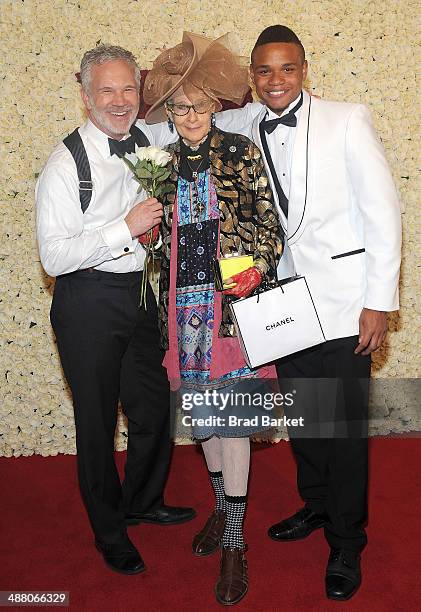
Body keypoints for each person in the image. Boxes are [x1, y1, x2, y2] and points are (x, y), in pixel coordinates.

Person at [217, 25, 402, 600]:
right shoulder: (240, 124)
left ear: (304, 70)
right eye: (265, 71)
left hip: (346, 302)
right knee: (303, 419)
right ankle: (317, 507)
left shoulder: (347, 119)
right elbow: (181, 120)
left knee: (342, 428)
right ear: (253, 76)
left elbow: (384, 213)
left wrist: (380, 301)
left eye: (287, 68)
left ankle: (348, 542)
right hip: (278, 305)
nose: (276, 80)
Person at [35, 44, 195, 576]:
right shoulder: (65, 164)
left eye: (128, 88)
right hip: (87, 302)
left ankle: (143, 500)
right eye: (106, 90)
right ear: (86, 97)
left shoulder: (151, 136)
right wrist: (122, 228)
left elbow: (202, 119)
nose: (120, 100)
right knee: (97, 422)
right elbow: (53, 255)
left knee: (154, 408)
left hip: (142, 295)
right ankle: (110, 531)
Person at [143, 32, 282, 605]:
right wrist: (150, 237)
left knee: (231, 422)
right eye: (180, 107)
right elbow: (151, 245)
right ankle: (225, 510)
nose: (191, 116)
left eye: (199, 105)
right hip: (182, 315)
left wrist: (249, 266)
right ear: (169, 112)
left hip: (228, 313)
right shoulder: (157, 163)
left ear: (216, 107)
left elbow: (269, 226)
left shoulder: (240, 153)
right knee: (204, 422)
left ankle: (232, 539)